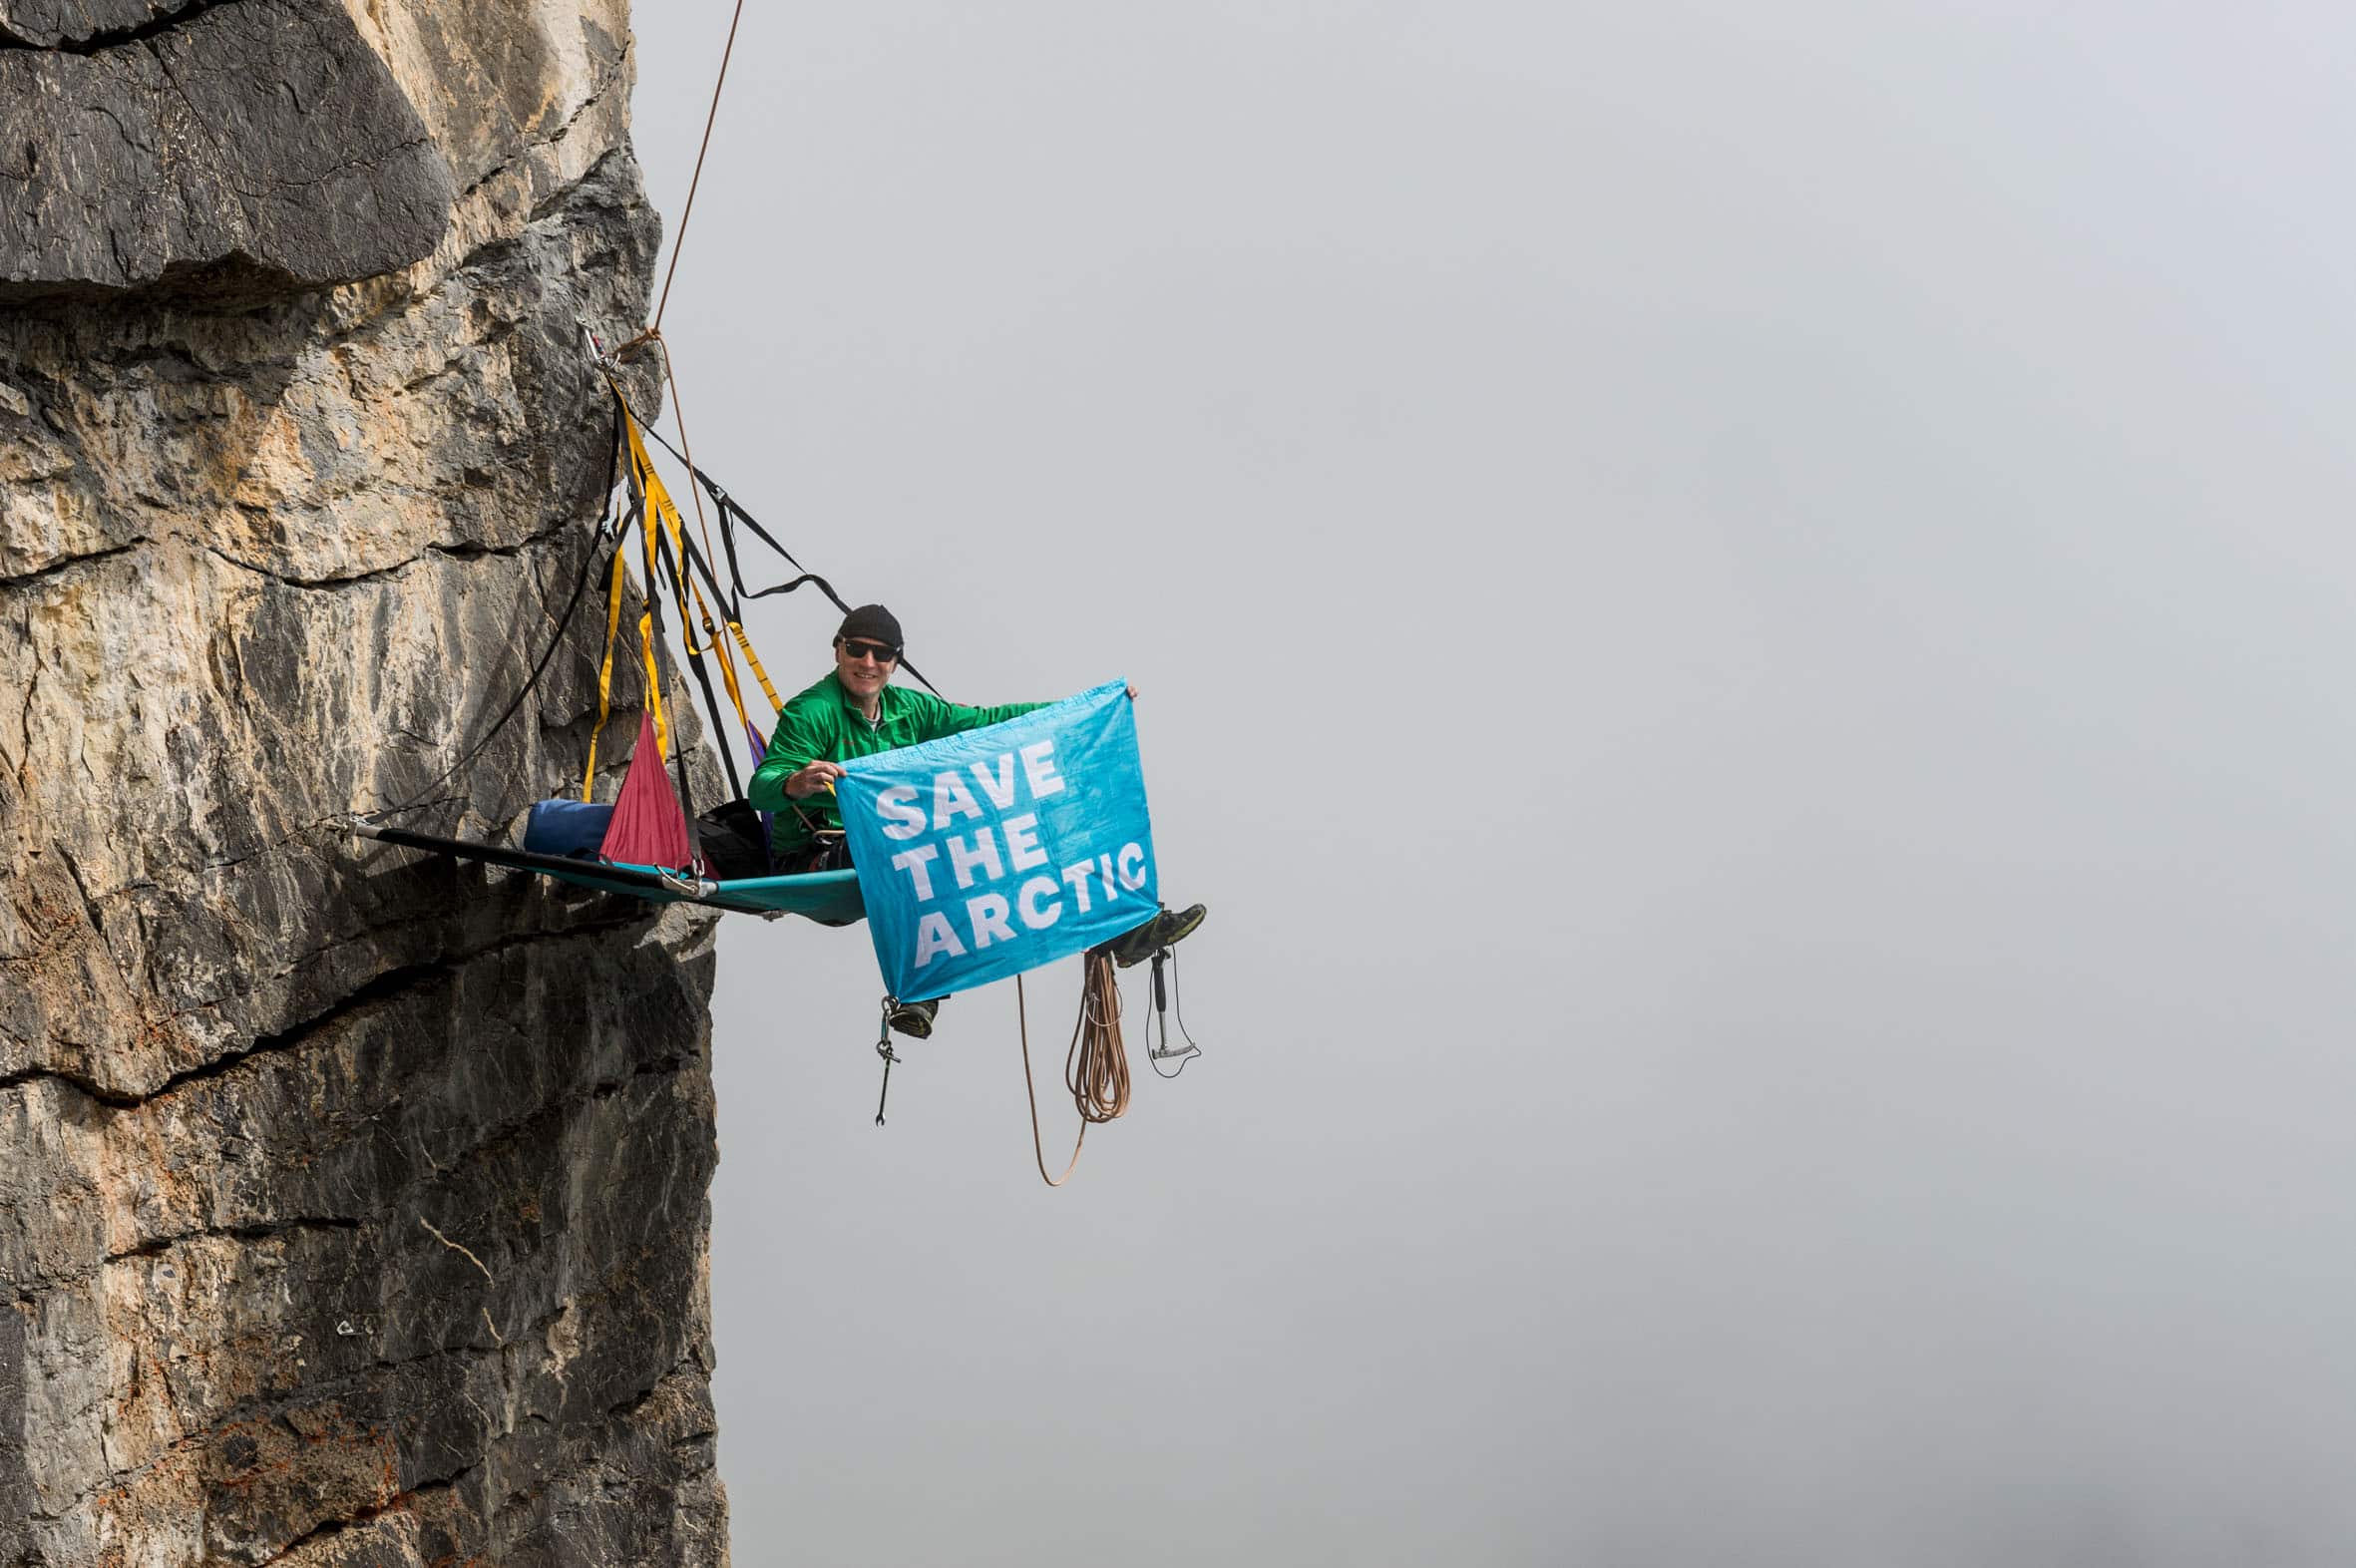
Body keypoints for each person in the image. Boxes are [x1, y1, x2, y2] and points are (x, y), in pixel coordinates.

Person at [747, 604, 1206, 1037]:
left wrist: (1083, 711)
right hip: (813, 861)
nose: (868, 662)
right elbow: (760, 788)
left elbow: (987, 725)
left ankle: (1122, 929)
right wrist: (795, 782)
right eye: (857, 649)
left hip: (880, 853)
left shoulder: (909, 709)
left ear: (896, 662)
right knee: (928, 846)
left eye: (881, 654)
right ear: (838, 650)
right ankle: (921, 992)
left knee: (1015, 834)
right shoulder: (812, 712)